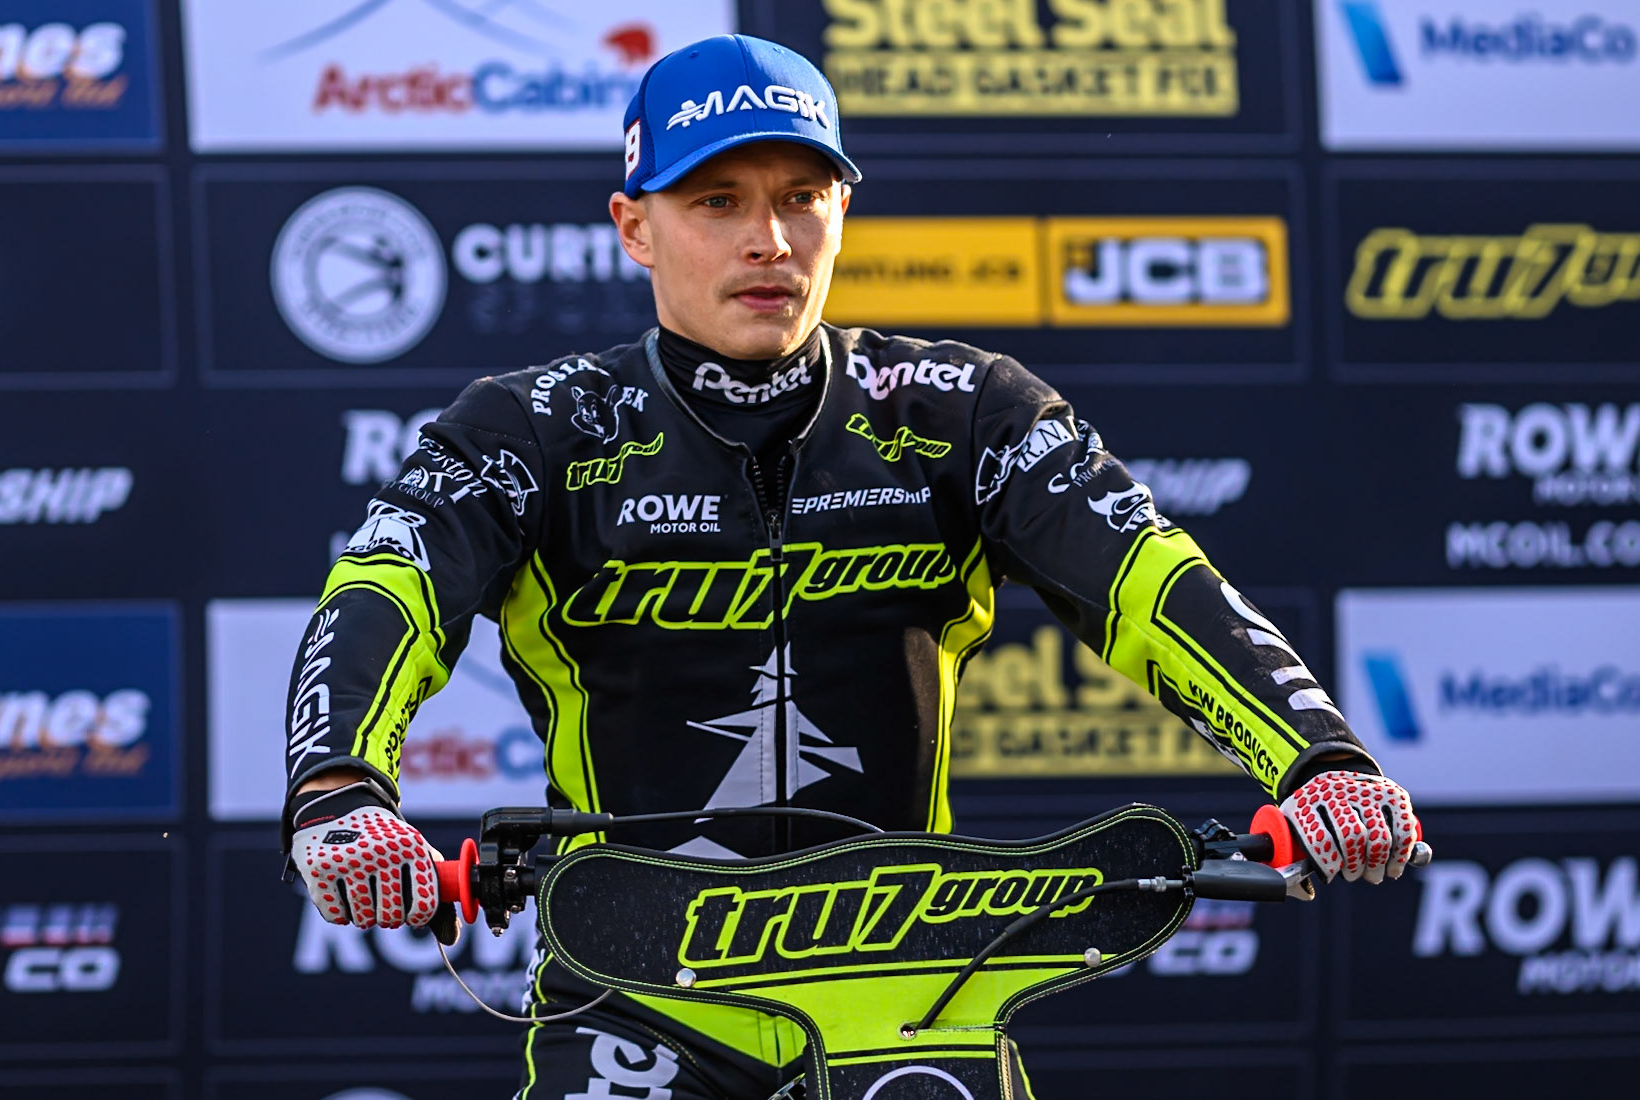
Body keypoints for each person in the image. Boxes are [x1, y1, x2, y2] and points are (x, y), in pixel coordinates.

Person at [283, 34, 1421, 1100]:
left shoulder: (961, 409)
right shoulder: (536, 426)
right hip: (631, 994)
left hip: (918, 991)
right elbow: (389, 586)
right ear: (635, 226)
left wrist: (1318, 759)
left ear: (841, 210)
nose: (766, 240)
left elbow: (1144, 579)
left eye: (800, 198)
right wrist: (340, 791)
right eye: (716, 202)